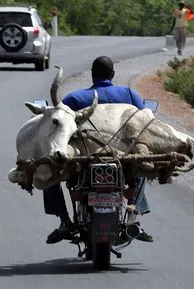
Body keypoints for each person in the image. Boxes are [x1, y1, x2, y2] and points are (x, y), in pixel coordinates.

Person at [43, 56, 154, 245]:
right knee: (142, 163)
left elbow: (59, 126)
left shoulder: (75, 99)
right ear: (112, 75)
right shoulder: (129, 95)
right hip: (123, 159)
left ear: (92, 76)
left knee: (48, 169)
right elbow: (145, 124)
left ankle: (64, 220)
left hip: (83, 160)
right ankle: (133, 214)